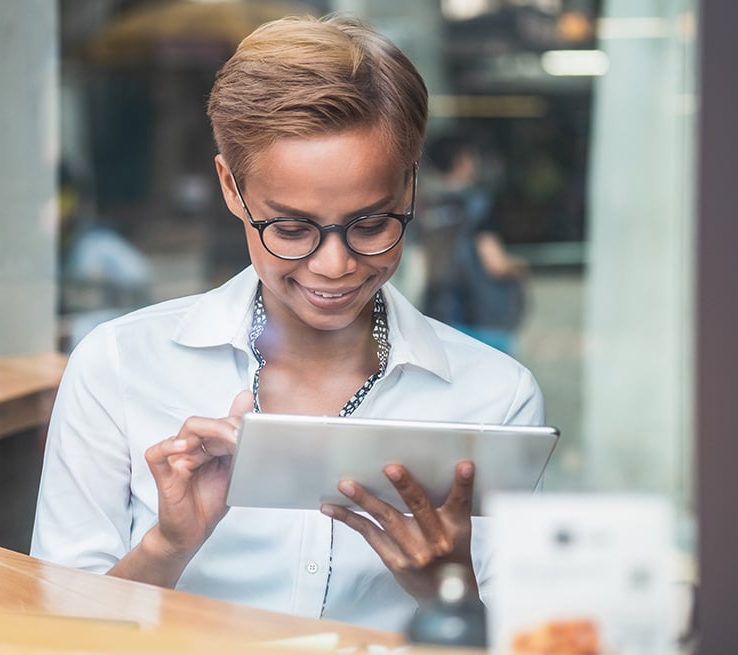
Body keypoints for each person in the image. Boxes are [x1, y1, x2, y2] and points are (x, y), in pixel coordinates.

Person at [31, 14, 544, 633]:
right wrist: (166, 548)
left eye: (372, 224)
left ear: (411, 186)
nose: (335, 265)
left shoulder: (494, 397)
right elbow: (54, 635)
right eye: (292, 229)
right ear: (230, 186)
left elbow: (529, 639)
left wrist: (449, 597)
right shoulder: (118, 365)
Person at [417, 132, 530, 355]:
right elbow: (495, 264)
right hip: (480, 315)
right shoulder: (476, 204)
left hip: (435, 313)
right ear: (462, 161)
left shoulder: (422, 204)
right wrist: (520, 268)